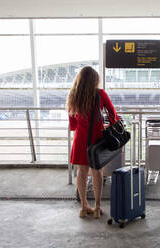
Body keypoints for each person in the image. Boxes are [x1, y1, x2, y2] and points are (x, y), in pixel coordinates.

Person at [67, 66, 119, 219]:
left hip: (80, 140)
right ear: (95, 80)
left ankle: (84, 207)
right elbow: (113, 115)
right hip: (96, 140)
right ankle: (97, 207)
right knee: (97, 172)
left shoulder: (73, 95)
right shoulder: (100, 94)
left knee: (81, 172)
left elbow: (72, 125)